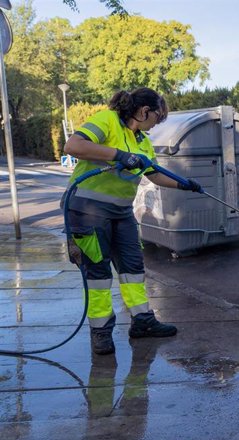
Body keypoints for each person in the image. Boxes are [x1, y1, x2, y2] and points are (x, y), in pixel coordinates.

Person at [62, 88, 201, 355]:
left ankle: (143, 323)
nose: (158, 122)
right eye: (158, 116)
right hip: (87, 211)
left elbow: (154, 174)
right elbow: (73, 146)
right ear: (143, 111)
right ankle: (100, 332)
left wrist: (185, 185)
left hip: (121, 213)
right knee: (98, 275)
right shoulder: (107, 120)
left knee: (133, 269)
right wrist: (118, 155)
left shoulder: (142, 141)